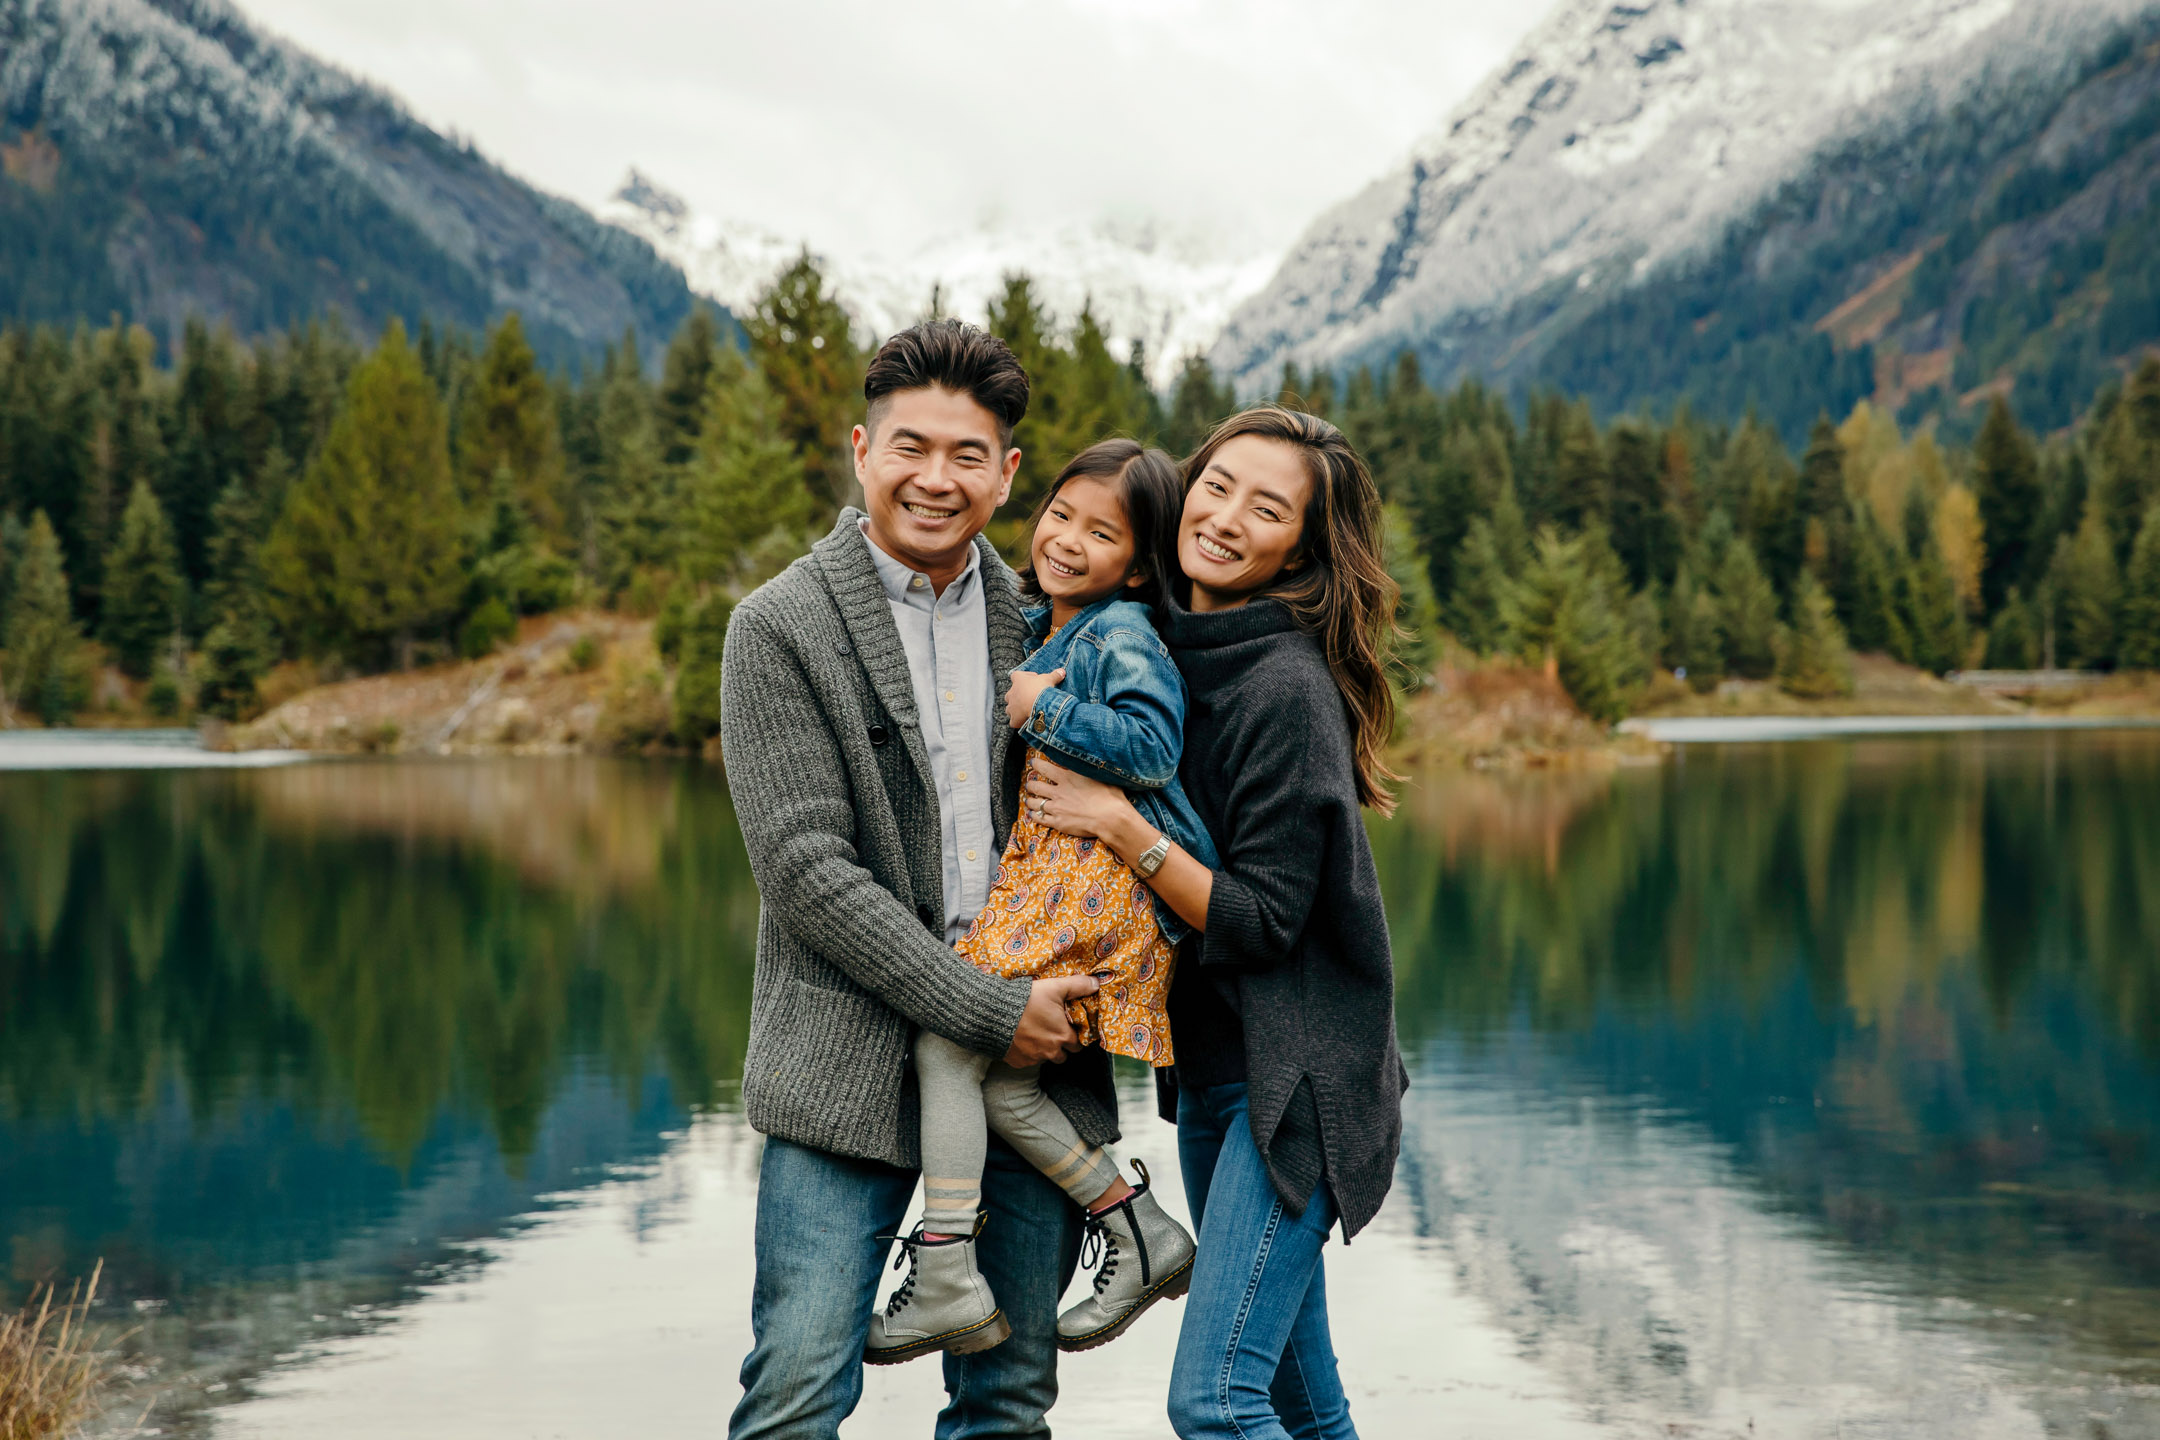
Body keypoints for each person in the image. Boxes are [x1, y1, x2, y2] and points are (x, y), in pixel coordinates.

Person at [718, 319, 1108, 1440]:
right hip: (843, 1063)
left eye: (968, 454)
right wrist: (991, 1009)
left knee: (1007, 1405)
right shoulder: (779, 628)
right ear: (860, 449)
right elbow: (807, 875)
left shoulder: (1052, 621)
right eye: (910, 447)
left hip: (1036, 1069)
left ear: (1008, 472)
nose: (936, 479)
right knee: (795, 1393)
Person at [1018, 407, 1408, 1440]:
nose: (1228, 517)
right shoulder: (1154, 648)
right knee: (1298, 1402)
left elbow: (1266, 920)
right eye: (1219, 484)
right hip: (1214, 1071)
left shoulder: (1284, 685)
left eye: (1267, 508)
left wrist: (1114, 822)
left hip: (1301, 1083)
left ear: (1302, 551)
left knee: (1216, 1404)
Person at [868, 440, 1214, 1367]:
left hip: (1097, 893)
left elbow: (1151, 749)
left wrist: (1038, 710)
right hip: (1059, 884)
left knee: (946, 1032)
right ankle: (1137, 1226)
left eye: (1103, 534)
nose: (1068, 540)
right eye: (1062, 513)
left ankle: (945, 1264)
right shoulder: (1045, 625)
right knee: (1003, 1074)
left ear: (1138, 565)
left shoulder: (1121, 632)